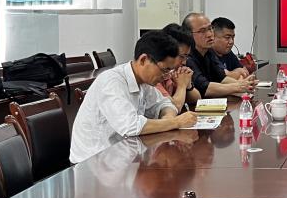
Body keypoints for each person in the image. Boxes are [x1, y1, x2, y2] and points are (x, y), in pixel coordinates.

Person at [70, 30, 198, 163]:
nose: (166, 76)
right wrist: (176, 122)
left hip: (124, 155)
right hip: (93, 163)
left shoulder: (144, 81)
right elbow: (131, 127)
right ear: (143, 60)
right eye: (164, 70)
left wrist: (168, 118)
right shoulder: (112, 82)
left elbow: (164, 104)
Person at [182, 12, 256, 98]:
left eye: (210, 29)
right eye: (202, 31)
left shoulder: (209, 51)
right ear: (189, 35)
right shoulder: (186, 57)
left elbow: (221, 78)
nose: (209, 34)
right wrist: (239, 87)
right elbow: (205, 88)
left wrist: (244, 84)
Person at [158, 23, 201, 111]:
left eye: (186, 57)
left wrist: (188, 85)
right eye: (181, 56)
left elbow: (196, 99)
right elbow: (174, 107)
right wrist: (182, 85)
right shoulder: (154, 75)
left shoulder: (173, 72)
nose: (184, 62)